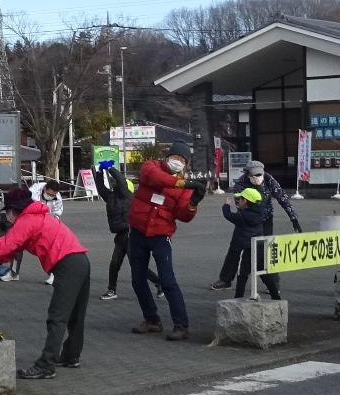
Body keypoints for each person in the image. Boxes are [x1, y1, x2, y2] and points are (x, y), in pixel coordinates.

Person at [0, 194, 90, 380]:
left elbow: (6, 244)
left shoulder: (26, 221)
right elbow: (14, 248)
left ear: (15, 211)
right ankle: (71, 355)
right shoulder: (37, 217)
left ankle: (46, 365)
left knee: (57, 317)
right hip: (80, 261)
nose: (7, 217)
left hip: (68, 265)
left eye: (8, 212)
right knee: (75, 315)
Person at [126, 143, 203, 340]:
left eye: (183, 161)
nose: (178, 162)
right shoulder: (151, 167)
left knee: (167, 281)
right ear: (167, 156)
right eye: (176, 157)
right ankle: (152, 320)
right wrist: (181, 184)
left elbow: (183, 215)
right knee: (137, 279)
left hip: (161, 236)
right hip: (138, 233)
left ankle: (181, 325)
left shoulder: (185, 189)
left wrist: (193, 203)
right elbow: (153, 178)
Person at [212, 160, 300, 290]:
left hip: (265, 220)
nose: (257, 178)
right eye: (253, 175)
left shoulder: (269, 179)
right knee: (235, 249)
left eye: (259, 175)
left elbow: (282, 198)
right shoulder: (240, 183)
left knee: (266, 251)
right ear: (247, 174)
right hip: (246, 220)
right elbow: (239, 204)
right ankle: (225, 279)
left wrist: (293, 218)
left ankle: (273, 282)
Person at [219, 187, 282, 300]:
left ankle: (238, 298)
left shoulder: (242, 216)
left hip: (247, 249)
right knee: (264, 273)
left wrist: (226, 205)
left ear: (246, 201)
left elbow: (228, 215)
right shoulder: (260, 212)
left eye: (241, 199)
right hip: (259, 247)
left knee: (242, 274)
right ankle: (276, 296)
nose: (239, 201)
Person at [93, 159, 132, 301]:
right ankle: (111, 290)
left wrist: (111, 169)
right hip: (120, 236)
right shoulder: (110, 197)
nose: (115, 184)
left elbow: (121, 181)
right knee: (114, 263)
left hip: (130, 233)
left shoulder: (127, 196)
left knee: (136, 264)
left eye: (118, 184)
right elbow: (100, 187)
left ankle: (158, 283)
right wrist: (99, 172)